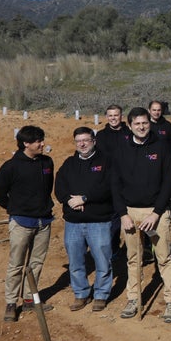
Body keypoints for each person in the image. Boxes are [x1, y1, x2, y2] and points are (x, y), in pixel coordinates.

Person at [111, 106, 171, 322]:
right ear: (129, 126)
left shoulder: (161, 147)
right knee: (133, 258)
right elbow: (115, 183)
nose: (142, 127)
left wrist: (157, 213)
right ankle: (133, 298)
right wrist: (123, 214)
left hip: (155, 213)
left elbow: (169, 182)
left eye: (145, 123)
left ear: (150, 123)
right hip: (130, 213)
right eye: (137, 124)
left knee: (164, 257)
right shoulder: (121, 149)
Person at [0, 125, 55, 323]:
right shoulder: (11, 166)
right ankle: (11, 303)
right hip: (21, 222)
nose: (42, 143)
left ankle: (29, 299)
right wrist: (15, 209)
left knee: (36, 263)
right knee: (16, 264)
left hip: (43, 221)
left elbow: (48, 188)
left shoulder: (47, 162)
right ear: (25, 144)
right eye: (38, 141)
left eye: (42, 139)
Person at [54, 127, 114, 312]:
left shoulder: (106, 162)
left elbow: (108, 187)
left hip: (99, 221)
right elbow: (59, 186)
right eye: (78, 141)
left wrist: (85, 199)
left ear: (94, 141)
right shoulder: (69, 164)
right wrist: (69, 200)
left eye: (86, 140)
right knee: (75, 261)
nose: (82, 144)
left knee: (102, 260)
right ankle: (81, 293)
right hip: (74, 222)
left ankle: (101, 294)